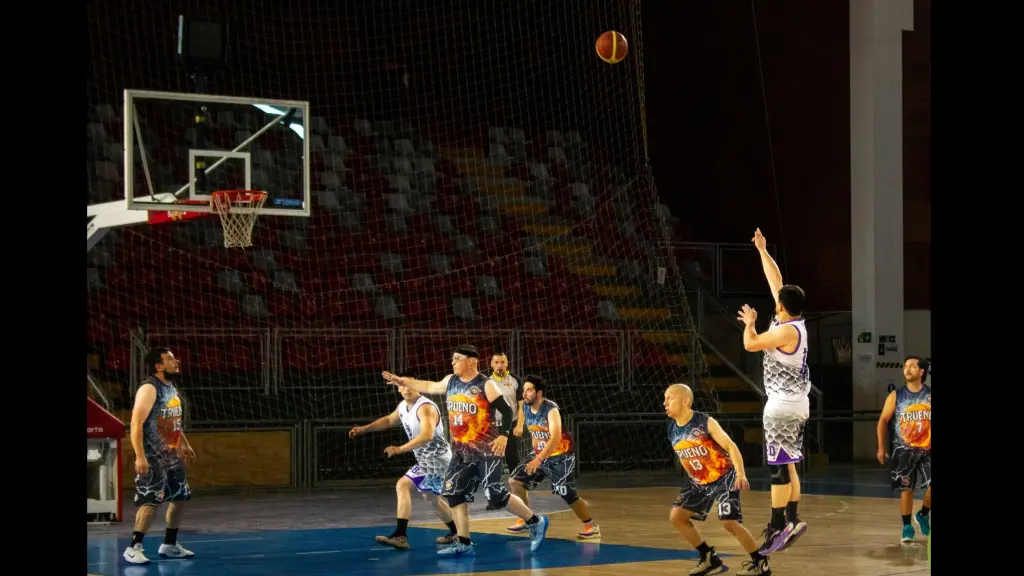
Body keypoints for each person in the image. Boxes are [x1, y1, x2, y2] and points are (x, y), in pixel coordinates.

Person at [381, 344, 549, 557]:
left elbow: (507, 411)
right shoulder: (450, 381)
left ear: (471, 361)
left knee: (494, 494)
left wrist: (504, 435)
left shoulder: (485, 384)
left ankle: (535, 522)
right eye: (452, 358)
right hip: (461, 451)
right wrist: (401, 380)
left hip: (486, 450)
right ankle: (464, 543)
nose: (452, 362)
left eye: (456, 358)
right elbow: (428, 385)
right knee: (454, 495)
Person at [736, 228, 811, 554]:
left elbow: (751, 344)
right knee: (790, 464)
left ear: (781, 307)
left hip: (781, 407)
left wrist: (750, 323)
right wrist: (763, 251)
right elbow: (776, 281)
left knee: (778, 469)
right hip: (796, 404)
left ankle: (778, 524)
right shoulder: (794, 323)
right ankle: (792, 519)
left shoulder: (784, 333)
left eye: (776, 301)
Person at [664, 384, 771, 576]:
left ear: (686, 401)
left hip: (723, 477)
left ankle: (760, 562)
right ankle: (709, 557)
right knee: (677, 517)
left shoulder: (705, 422)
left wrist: (740, 474)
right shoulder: (672, 428)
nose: (665, 403)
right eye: (665, 398)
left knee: (729, 523)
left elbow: (730, 446)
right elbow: (684, 455)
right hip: (699, 481)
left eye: (670, 398)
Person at [349, 381, 459, 549]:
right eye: (402, 385)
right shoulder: (403, 406)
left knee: (403, 485)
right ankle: (457, 533)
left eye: (410, 385)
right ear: (398, 388)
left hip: (437, 459)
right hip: (429, 460)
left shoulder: (425, 408)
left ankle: (400, 535)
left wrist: (400, 449)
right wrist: (364, 429)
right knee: (431, 498)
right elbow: (387, 421)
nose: (407, 389)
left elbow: (427, 435)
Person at [122, 347, 197, 566]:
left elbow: (172, 420)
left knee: (180, 497)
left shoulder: (171, 387)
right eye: (171, 359)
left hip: (171, 454)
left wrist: (184, 443)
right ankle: (133, 547)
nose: (177, 361)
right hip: (152, 455)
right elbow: (136, 423)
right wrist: (139, 457)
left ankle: (169, 545)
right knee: (151, 500)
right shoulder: (149, 388)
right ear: (158, 366)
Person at [505, 375, 599, 539]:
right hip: (539, 453)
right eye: (524, 390)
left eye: (529, 390)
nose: (524, 394)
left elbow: (555, 437)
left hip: (560, 456)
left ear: (539, 393)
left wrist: (538, 459)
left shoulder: (551, 409)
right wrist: (519, 425)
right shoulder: (526, 407)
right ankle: (528, 520)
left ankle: (590, 525)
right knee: (515, 482)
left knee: (566, 493)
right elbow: (522, 414)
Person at [876, 355, 931, 543]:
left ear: (922, 371)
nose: (907, 369)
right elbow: (882, 421)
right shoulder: (896, 396)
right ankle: (907, 526)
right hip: (904, 449)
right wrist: (881, 447)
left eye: (913, 366)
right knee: (906, 489)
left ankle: (923, 514)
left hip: (928, 448)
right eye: (905, 366)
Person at [485, 352, 521, 510]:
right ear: (491, 364)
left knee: (513, 460)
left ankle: (519, 495)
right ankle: (494, 498)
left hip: (511, 425)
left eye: (502, 362)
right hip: (492, 428)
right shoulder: (486, 382)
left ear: (507, 363)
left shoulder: (515, 380)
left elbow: (522, 406)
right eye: (496, 362)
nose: (499, 365)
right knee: (493, 463)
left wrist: (520, 425)